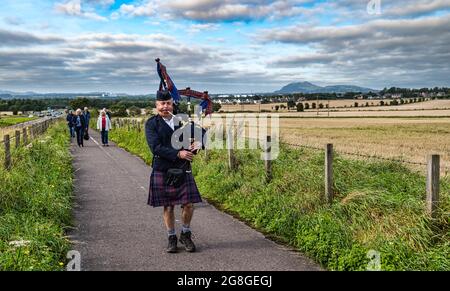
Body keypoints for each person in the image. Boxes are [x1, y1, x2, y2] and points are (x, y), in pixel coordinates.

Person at [145, 90, 204, 253]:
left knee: (189, 205)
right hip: (163, 168)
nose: (165, 107)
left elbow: (198, 137)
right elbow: (155, 147)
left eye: (168, 103)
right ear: (156, 106)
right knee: (168, 206)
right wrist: (178, 153)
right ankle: (171, 237)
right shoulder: (152, 124)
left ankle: (185, 234)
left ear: (172, 104)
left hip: (182, 168)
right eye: (162, 104)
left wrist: (197, 145)